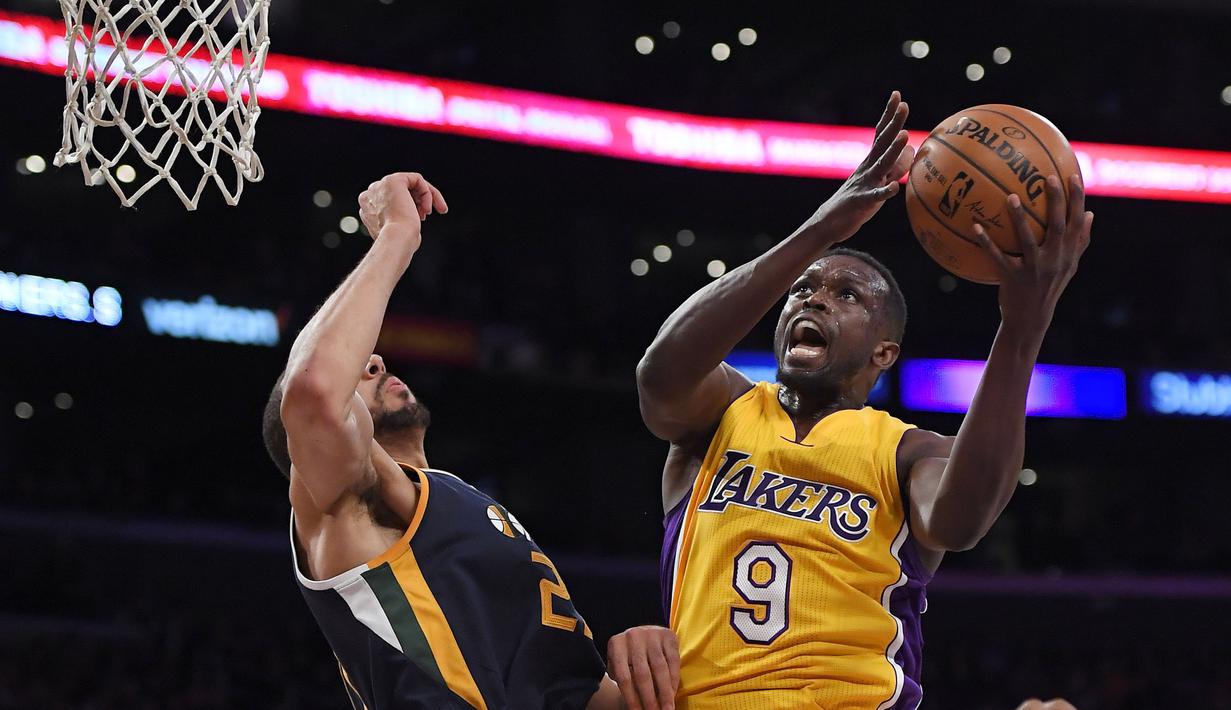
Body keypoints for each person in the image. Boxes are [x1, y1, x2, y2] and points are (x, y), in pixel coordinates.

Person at [637, 91, 1093, 708]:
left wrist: (1023, 325)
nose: (813, 299)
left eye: (847, 295)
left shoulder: (908, 451)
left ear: (884, 352)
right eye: (802, 289)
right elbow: (660, 376)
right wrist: (825, 224)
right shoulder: (721, 412)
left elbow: (960, 520)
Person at [262, 171, 680, 710]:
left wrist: (645, 667)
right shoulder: (342, 506)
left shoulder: (459, 504)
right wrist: (397, 237)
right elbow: (315, 394)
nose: (375, 359)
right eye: (357, 374)